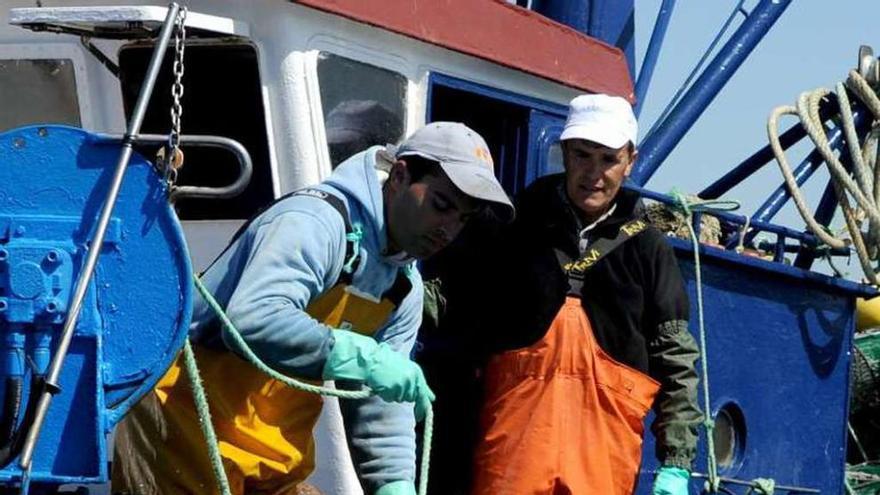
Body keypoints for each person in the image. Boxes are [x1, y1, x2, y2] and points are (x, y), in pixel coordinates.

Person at [112, 122, 514, 495]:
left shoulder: (403, 288)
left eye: (463, 219)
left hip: (272, 451)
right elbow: (253, 318)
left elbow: (380, 402)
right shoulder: (316, 222)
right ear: (401, 175)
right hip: (184, 422)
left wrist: (393, 483)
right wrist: (362, 356)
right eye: (441, 205)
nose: (448, 228)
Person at [467, 94, 702, 494]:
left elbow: (676, 359)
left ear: (630, 161)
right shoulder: (510, 225)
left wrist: (677, 460)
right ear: (564, 154)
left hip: (603, 457)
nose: (594, 173)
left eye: (608, 159)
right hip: (513, 451)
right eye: (582, 155)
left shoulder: (650, 249)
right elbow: (456, 305)